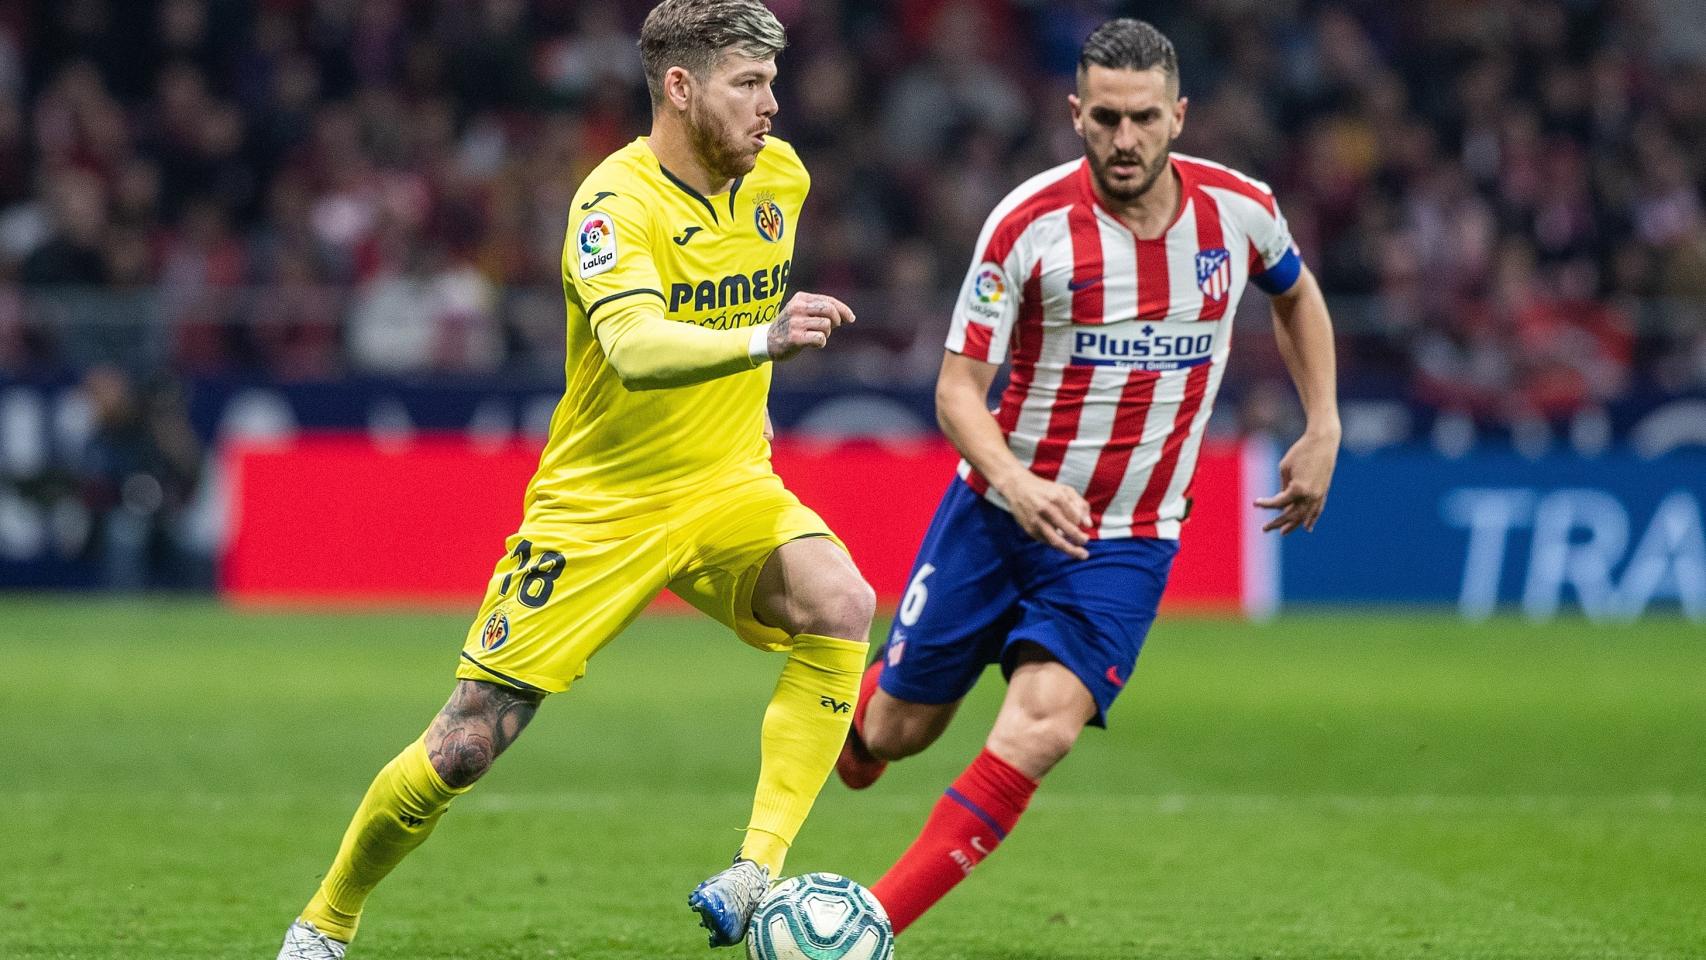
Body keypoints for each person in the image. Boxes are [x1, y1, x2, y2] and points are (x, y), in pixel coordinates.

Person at [278, 2, 875, 956]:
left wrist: (748, 385)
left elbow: (722, 301)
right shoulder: (614, 204)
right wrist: (763, 341)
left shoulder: (782, 180)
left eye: (773, 83)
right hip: (602, 505)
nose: (772, 106)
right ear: (680, 88)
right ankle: (325, 922)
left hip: (726, 483)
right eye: (748, 84)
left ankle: (754, 871)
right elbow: (634, 347)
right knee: (466, 743)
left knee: (842, 601)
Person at [834, 18, 1341, 936]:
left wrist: (1325, 423)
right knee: (896, 734)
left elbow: (1296, 293)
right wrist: (1020, 486)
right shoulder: (1027, 227)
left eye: (1144, 118)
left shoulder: (1241, 211)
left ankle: (868, 925)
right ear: (1075, 114)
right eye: (1104, 118)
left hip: (1127, 539)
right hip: (996, 515)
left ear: (1179, 115)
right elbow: (957, 391)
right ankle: (869, 709)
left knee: (1041, 731)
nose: (1124, 139)